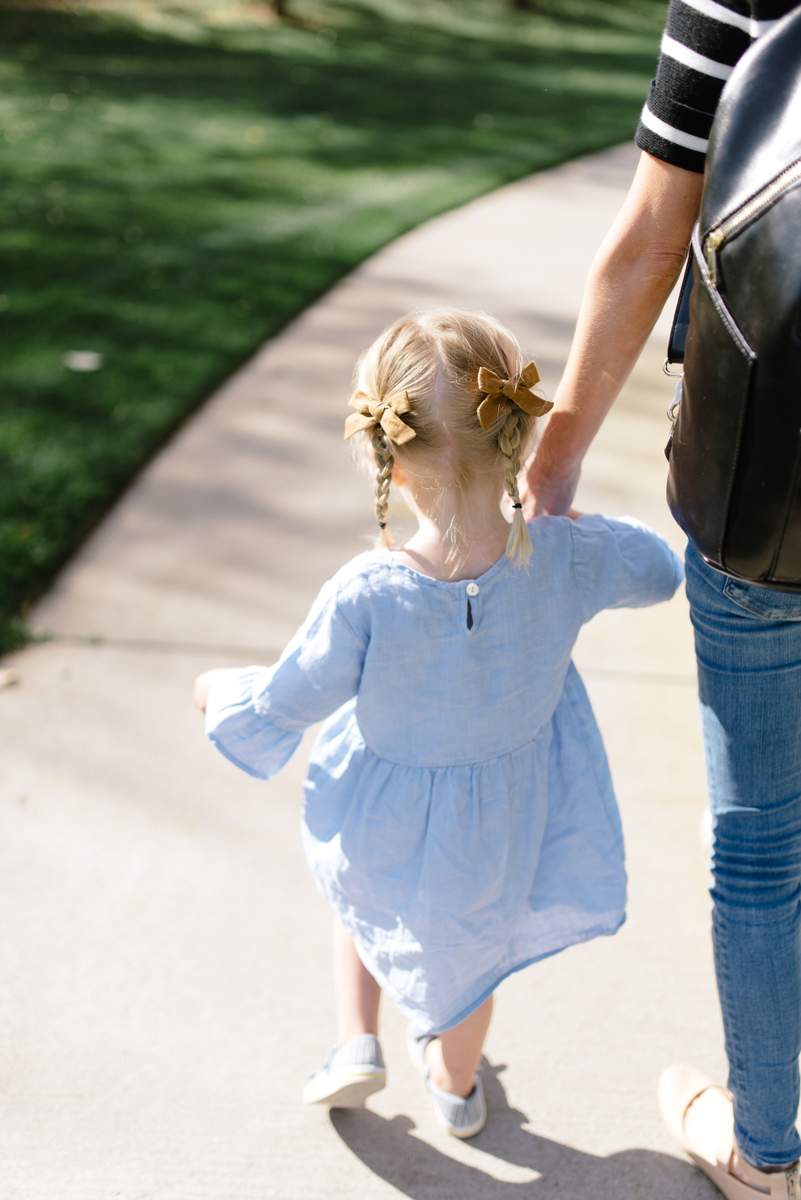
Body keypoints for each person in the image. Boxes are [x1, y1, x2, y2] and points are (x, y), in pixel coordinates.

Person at [193, 308, 681, 1140]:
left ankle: (356, 1043)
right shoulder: (567, 555)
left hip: (382, 803)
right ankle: (455, 1088)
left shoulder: (367, 590)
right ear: (516, 442)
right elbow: (661, 571)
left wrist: (218, 691)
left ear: (393, 463)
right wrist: (565, 512)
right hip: (499, 819)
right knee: (470, 949)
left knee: (363, 901)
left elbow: (294, 696)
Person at [524, 3, 801, 1198]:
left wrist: (560, 448)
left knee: (760, 842)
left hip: (765, 491)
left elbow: (653, 234)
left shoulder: (734, 1)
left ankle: (769, 1152)